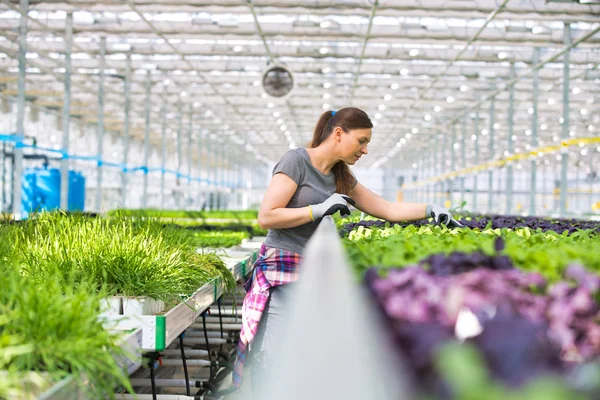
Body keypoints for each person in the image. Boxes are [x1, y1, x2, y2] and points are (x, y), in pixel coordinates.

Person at [232, 107, 460, 394]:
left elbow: (387, 209)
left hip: (315, 275)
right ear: (339, 134)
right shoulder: (296, 161)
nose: (365, 150)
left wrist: (430, 210)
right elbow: (267, 216)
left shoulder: (341, 176)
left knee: (306, 364)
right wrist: (318, 210)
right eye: (362, 141)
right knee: (275, 361)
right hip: (282, 278)